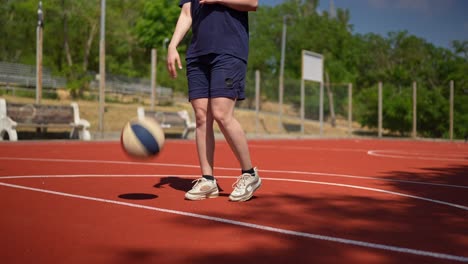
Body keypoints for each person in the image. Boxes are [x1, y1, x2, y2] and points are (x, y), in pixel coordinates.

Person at [166, 0, 261, 202]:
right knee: (201, 117)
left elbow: (252, 3)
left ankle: (249, 174)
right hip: (197, 54)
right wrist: (173, 45)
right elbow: (186, 12)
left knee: (221, 113)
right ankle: (208, 180)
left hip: (228, 50)